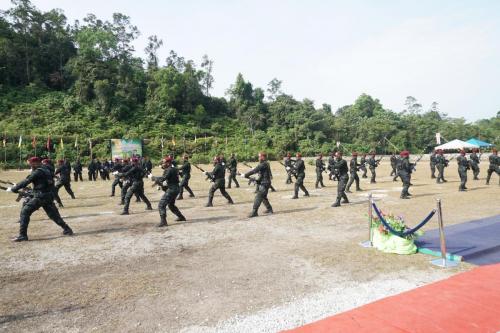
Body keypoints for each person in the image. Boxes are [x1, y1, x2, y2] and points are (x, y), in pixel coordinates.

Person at [6, 157, 73, 242]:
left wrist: (13, 189)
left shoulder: (38, 172)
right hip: (48, 195)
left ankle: (22, 235)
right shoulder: (46, 169)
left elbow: (27, 181)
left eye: (30, 164)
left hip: (41, 196)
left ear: (35, 163)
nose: (30, 166)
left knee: (25, 211)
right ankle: (67, 229)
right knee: (53, 215)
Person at [150, 156, 186, 227]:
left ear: (168, 163)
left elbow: (163, 178)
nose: (162, 164)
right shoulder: (174, 169)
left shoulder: (169, 170)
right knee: (171, 205)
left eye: (164, 162)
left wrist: (154, 178)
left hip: (172, 189)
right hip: (176, 189)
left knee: (161, 205)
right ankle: (181, 217)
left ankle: (163, 222)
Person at [243, 152, 273, 218]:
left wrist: (246, 175)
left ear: (263, 157)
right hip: (263, 182)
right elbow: (258, 170)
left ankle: (254, 212)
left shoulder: (264, 163)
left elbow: (255, 170)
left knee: (258, 197)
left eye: (259, 156)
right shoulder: (264, 163)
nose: (258, 158)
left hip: (265, 183)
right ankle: (269, 209)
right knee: (263, 197)